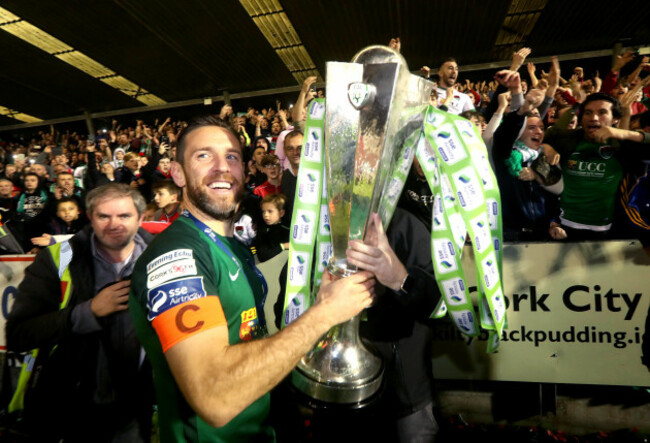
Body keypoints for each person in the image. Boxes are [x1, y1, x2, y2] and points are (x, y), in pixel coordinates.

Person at [129, 115, 374, 442]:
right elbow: (214, 396)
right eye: (204, 156)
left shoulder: (235, 248)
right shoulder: (177, 257)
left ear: (244, 170)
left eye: (231, 156)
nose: (221, 167)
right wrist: (324, 313)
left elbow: (246, 343)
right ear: (178, 173)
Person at [6, 183, 155, 442]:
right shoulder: (57, 259)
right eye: (103, 216)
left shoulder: (163, 258)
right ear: (90, 217)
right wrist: (90, 311)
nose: (114, 224)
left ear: (141, 218)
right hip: (71, 404)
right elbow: (20, 333)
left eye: (124, 216)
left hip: (136, 408)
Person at [544, 92, 650, 240]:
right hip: (563, 228)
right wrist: (546, 146)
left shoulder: (622, 146)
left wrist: (624, 134)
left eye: (602, 112)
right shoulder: (568, 140)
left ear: (615, 119)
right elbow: (543, 137)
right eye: (588, 112)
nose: (593, 118)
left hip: (609, 230)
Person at [254, 193, 290, 262]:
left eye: (270, 211)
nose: (266, 215)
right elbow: (262, 255)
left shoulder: (288, 228)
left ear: (281, 213)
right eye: (263, 212)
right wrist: (283, 246)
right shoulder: (263, 230)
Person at [280, 130, 303, 223]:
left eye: (300, 148)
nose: (295, 152)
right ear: (285, 151)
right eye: (290, 148)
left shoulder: (316, 176)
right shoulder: (284, 176)